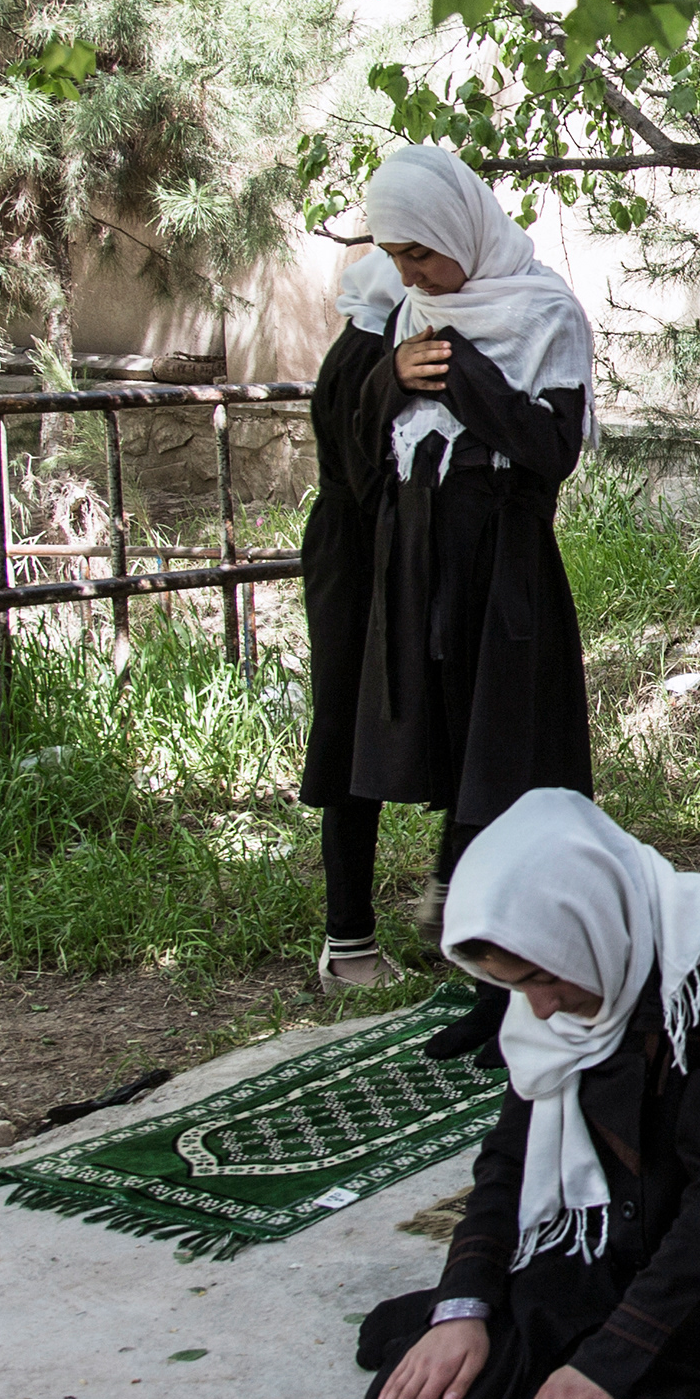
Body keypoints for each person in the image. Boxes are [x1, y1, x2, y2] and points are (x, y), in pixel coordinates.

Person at [353, 789, 700, 1399]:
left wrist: (608, 1362)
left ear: (584, 924)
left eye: (543, 979)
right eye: (519, 987)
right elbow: (508, 1160)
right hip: (582, 1264)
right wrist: (463, 1308)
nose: (542, 1010)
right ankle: (456, 1319)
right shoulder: (553, 988)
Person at [347, 145, 598, 890]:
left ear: (460, 233)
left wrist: (464, 375)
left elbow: (551, 449)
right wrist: (389, 378)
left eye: (419, 253)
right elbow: (368, 438)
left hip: (501, 558)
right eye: (394, 257)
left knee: (504, 730)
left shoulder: (545, 313)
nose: (407, 274)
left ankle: (488, 894)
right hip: (421, 554)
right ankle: (460, 885)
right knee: (445, 721)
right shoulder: (409, 315)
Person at [304, 245, 406, 989]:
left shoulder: (362, 352)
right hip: (358, 563)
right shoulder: (368, 364)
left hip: (364, 556)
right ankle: (348, 944)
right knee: (347, 736)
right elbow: (374, 478)